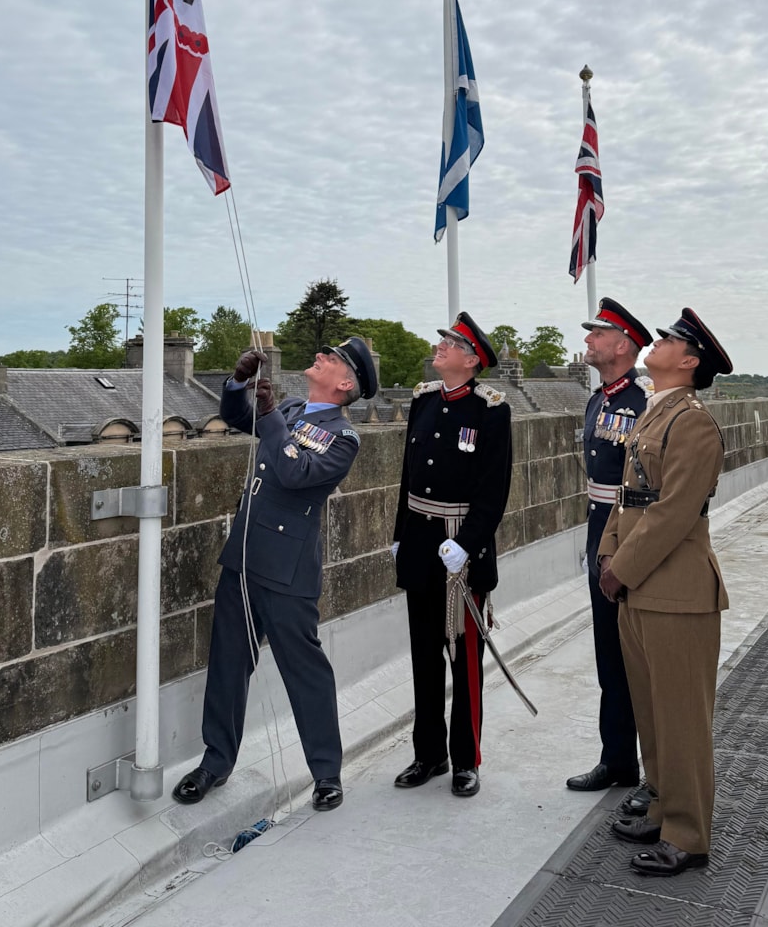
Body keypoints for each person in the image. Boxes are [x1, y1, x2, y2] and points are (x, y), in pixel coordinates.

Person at [171, 335, 377, 813]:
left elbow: (294, 473)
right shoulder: (289, 409)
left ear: (346, 384)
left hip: (287, 570)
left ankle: (326, 773)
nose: (321, 355)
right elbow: (239, 419)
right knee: (228, 665)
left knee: (304, 672)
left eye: (333, 358)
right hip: (245, 556)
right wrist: (237, 382)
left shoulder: (344, 438)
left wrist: (269, 416)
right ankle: (216, 762)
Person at [599, 308, 732, 876]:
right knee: (652, 714)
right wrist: (609, 552)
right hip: (641, 587)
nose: (658, 342)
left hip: (677, 589)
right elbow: (627, 496)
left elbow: (675, 511)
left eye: (671, 340)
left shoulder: (693, 422)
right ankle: (660, 807)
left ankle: (688, 834)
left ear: (689, 360)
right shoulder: (657, 411)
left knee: (681, 719)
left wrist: (622, 568)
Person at [392, 312, 512, 798]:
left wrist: (466, 546)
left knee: (464, 663)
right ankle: (429, 753)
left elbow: (493, 491)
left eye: (451, 343)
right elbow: (407, 476)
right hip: (420, 545)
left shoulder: (490, 410)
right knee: (424, 656)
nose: (440, 346)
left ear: (471, 359)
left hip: (461, 548)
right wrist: (399, 535)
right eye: (443, 340)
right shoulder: (422, 400)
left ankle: (465, 758)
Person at [564, 297, 652, 794]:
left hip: (633, 539)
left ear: (622, 345)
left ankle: (658, 774)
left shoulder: (645, 402)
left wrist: (627, 550)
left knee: (643, 660)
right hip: (600, 534)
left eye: (597, 334)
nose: (588, 340)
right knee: (609, 656)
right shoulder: (597, 400)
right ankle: (617, 759)